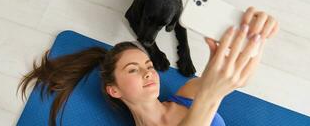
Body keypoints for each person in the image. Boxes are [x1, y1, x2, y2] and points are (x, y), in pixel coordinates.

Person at [19, 7, 279, 126]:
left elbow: (236, 78)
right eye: (132, 69)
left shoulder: (187, 96)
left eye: (147, 64)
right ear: (114, 90)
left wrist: (256, 39)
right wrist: (211, 95)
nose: (147, 72)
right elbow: (216, 89)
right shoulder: (200, 100)